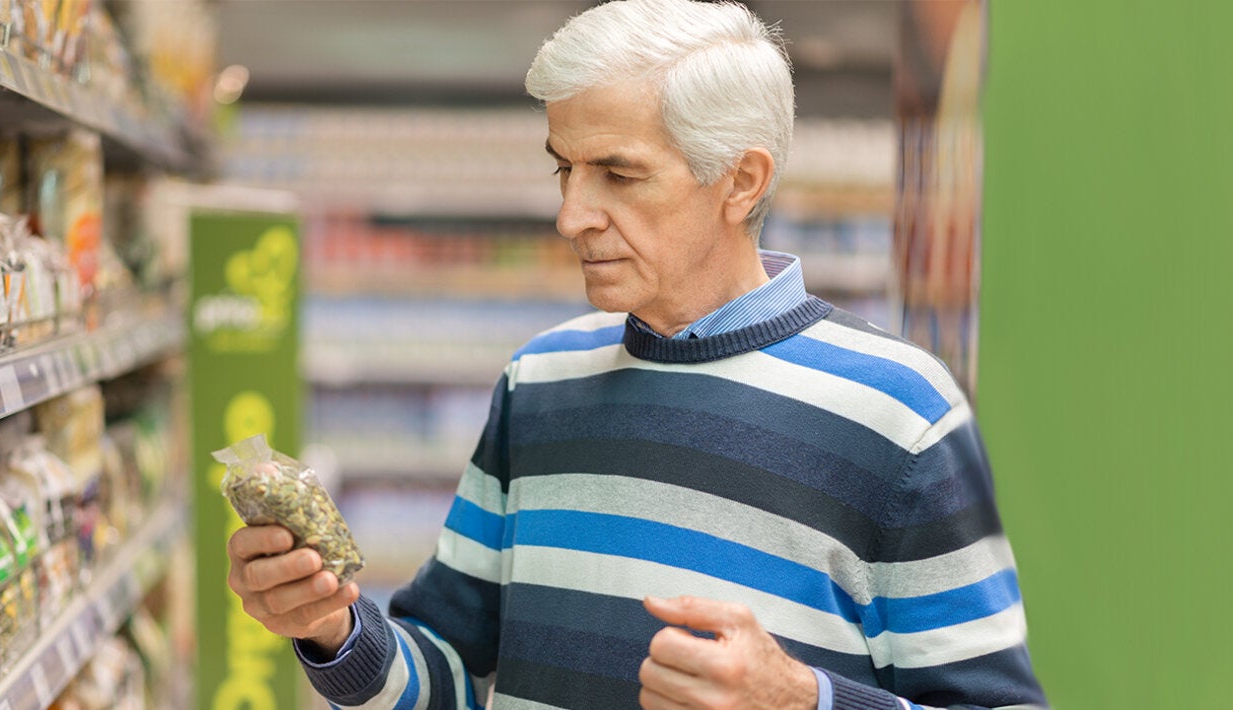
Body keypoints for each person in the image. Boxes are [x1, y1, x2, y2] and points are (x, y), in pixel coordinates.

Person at [227, 0, 1046, 708]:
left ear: (741, 181)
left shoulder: (899, 415)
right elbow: (445, 678)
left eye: (618, 175)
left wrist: (801, 700)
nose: (572, 216)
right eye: (565, 170)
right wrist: (334, 628)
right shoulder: (538, 384)